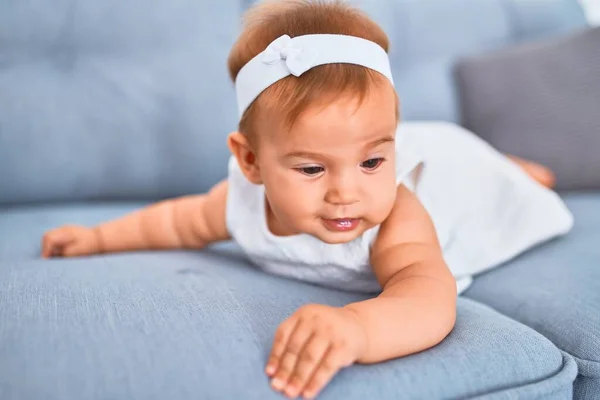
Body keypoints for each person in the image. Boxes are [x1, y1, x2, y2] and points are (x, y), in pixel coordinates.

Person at [41, 1, 560, 398]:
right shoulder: (241, 201)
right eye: (311, 168)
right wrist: (98, 237)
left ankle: (518, 168)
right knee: (362, 150)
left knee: (490, 170)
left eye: (374, 161)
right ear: (251, 163)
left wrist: (357, 327)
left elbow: (428, 296)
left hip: (456, 176)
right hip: (402, 152)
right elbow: (176, 223)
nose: (345, 192)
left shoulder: (398, 215)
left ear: (391, 144)